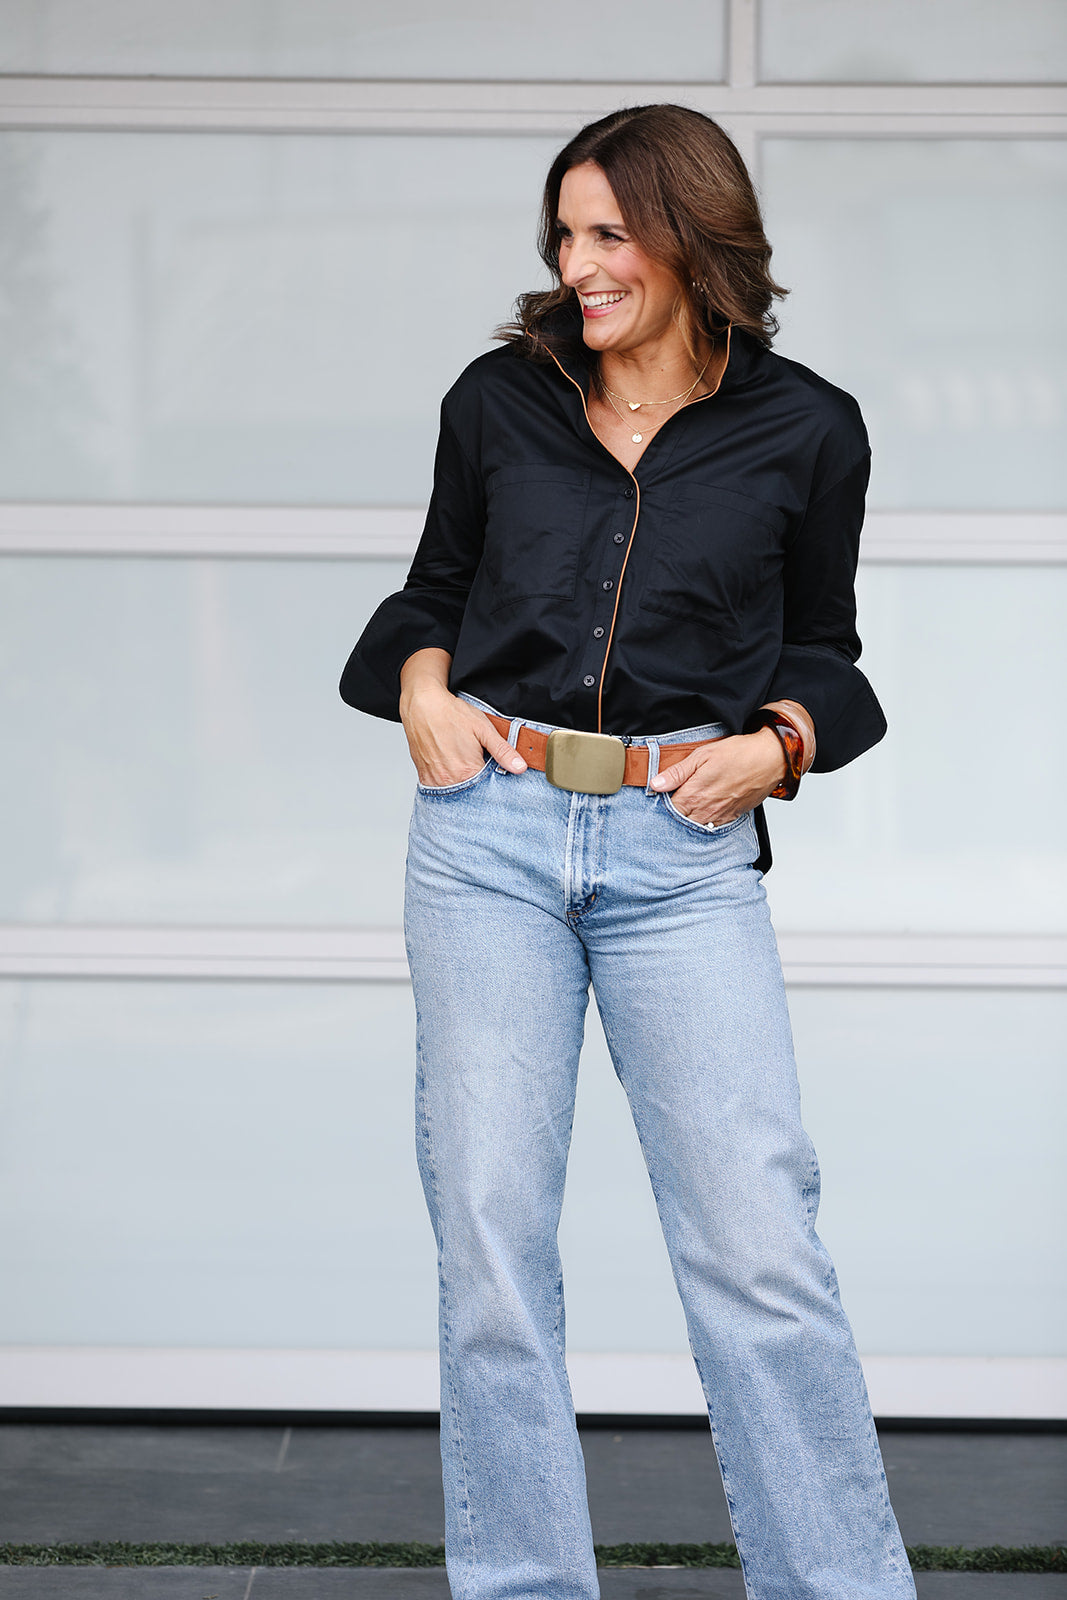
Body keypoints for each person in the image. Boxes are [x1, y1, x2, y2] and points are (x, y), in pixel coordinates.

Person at [340, 104, 914, 1600]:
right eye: (565, 234)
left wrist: (779, 742)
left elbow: (829, 653)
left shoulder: (810, 428)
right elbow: (432, 594)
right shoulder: (499, 400)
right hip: (490, 838)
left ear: (692, 238)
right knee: (491, 1247)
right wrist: (421, 691)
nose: (578, 265)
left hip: (683, 847)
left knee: (758, 1245)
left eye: (611, 233)